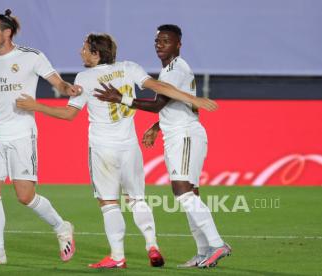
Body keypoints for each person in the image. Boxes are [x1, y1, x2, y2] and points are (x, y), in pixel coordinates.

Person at [16, 33, 217, 269]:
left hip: (103, 149)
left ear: (96, 54)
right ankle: (152, 245)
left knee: (109, 203)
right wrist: (193, 98)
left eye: (84, 48)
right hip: (130, 147)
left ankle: (117, 256)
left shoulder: (85, 77)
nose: (80, 51)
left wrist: (34, 106)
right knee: (137, 200)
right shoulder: (128, 68)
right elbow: (160, 86)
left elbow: (68, 114)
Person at [94, 24, 231, 269]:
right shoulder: (168, 69)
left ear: (178, 44)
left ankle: (217, 243)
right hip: (176, 134)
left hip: (185, 136)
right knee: (189, 193)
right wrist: (157, 127)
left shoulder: (176, 69)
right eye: (157, 41)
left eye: (166, 41)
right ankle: (203, 251)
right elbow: (173, 106)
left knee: (183, 192)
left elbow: (158, 103)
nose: (160, 45)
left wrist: (121, 98)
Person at [0, 9, 80, 265]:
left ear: (7, 32)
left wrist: (67, 88)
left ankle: (62, 227)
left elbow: (57, 83)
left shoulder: (31, 57)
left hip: (21, 134)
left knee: (25, 196)